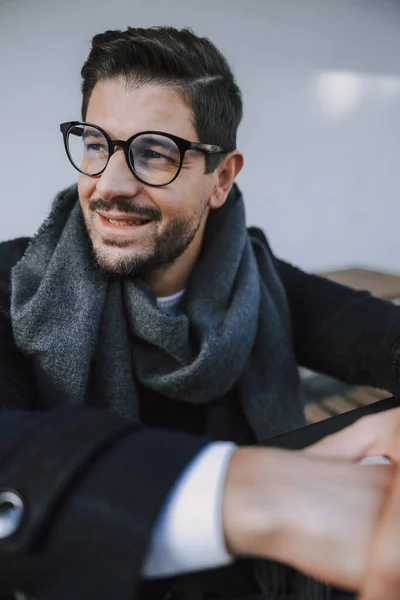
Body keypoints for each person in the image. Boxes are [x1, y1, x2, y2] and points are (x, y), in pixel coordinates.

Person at [1, 25, 400, 600]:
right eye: (94, 143)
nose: (109, 184)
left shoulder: (256, 278)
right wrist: (252, 493)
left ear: (221, 178)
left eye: (154, 152)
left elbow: (375, 335)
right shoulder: (14, 284)